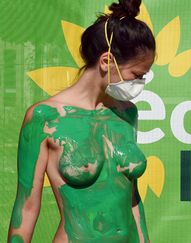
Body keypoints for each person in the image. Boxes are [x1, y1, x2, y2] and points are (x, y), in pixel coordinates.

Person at [7, 0, 155, 242]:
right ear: (107, 62)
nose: (139, 84)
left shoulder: (127, 113)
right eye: (137, 75)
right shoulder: (45, 117)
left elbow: (132, 200)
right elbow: (27, 206)